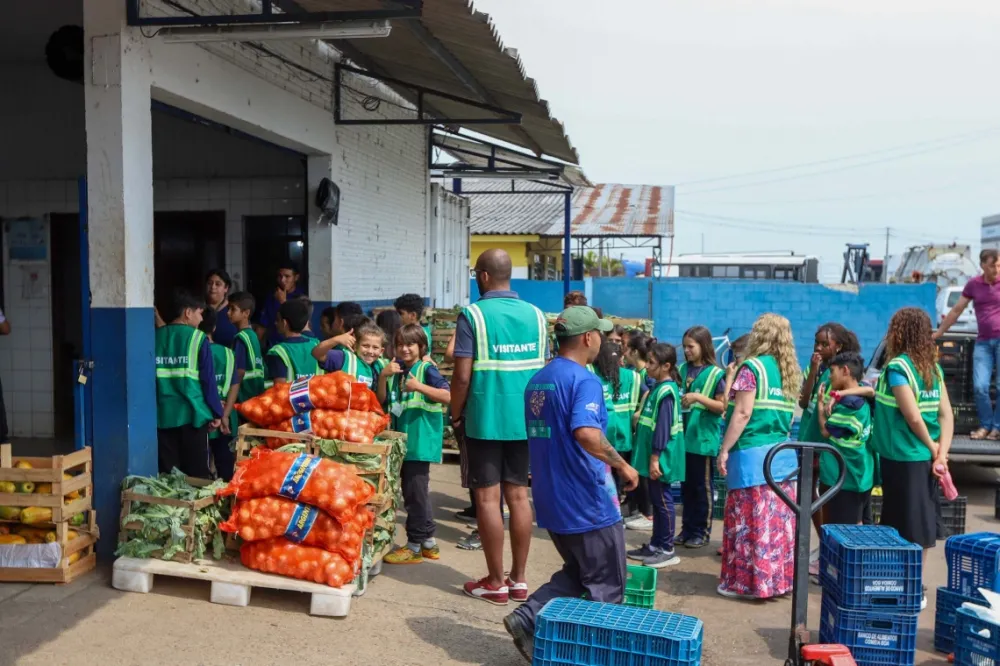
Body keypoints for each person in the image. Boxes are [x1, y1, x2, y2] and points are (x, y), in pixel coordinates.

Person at [502, 306, 638, 662]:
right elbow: (587, 433)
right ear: (587, 338)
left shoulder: (539, 380)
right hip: (588, 502)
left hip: (553, 501)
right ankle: (592, 657)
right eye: (601, 334)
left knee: (578, 573)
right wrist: (623, 465)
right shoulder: (584, 380)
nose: (603, 340)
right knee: (607, 586)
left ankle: (527, 617)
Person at [452, 249, 547, 605]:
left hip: (486, 420)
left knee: (488, 499)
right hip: (526, 422)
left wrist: (455, 413)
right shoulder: (537, 316)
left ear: (483, 276)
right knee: (520, 496)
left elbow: (462, 377)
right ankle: (519, 580)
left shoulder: (473, 315)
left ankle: (495, 582)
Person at [716, 313, 801, 600]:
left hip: (752, 457)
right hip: (782, 459)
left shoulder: (750, 368)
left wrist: (724, 449)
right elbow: (788, 421)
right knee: (776, 527)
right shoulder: (789, 372)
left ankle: (745, 584)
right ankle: (775, 583)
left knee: (748, 525)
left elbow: (742, 413)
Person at [874, 307, 954, 610]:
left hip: (904, 457)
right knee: (917, 524)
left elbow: (912, 417)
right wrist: (941, 453)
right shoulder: (931, 368)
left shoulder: (899, 368)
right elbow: (946, 415)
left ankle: (910, 588)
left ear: (900, 332)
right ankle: (907, 585)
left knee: (905, 526)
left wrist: (935, 450)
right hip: (924, 458)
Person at [378, 325, 451, 565]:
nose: (404, 349)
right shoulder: (399, 372)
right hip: (405, 444)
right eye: (400, 344)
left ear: (421, 347)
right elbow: (384, 401)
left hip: (419, 444)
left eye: (410, 344)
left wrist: (418, 386)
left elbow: (447, 396)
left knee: (414, 495)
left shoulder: (426, 370)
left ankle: (414, 546)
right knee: (417, 493)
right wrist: (383, 376)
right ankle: (428, 542)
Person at [627, 342, 685, 568]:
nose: (648, 366)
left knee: (663, 501)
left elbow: (663, 427)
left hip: (661, 458)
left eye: (652, 363)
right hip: (654, 456)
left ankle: (667, 548)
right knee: (657, 499)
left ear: (666, 366)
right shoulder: (658, 388)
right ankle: (655, 544)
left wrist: (655, 457)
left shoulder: (667, 392)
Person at [155, 290, 223, 477]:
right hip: (192, 415)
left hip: (163, 415)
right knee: (197, 475)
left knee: (169, 476)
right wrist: (217, 412)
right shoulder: (198, 339)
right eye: (199, 313)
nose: (201, 319)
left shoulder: (156, 337)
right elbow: (208, 381)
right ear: (188, 313)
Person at [935, 249, 1000, 439]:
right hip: (983, 342)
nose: (997, 269)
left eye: (999, 265)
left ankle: (996, 428)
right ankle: (985, 425)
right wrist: (939, 333)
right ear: (982, 266)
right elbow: (956, 310)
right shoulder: (973, 285)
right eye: (992, 265)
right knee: (980, 386)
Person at [677, 326, 726, 549]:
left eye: (691, 347)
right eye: (685, 346)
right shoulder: (682, 369)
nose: (686, 351)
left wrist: (698, 397)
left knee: (702, 488)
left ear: (703, 346)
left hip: (703, 439)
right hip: (684, 439)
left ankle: (702, 531)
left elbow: (722, 406)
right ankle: (686, 529)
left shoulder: (716, 374)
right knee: (686, 487)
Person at [815, 351, 874, 526]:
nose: (830, 376)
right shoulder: (863, 395)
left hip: (845, 478)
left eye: (832, 371)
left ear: (845, 370)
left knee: (846, 529)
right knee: (860, 523)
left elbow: (826, 432)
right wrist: (838, 395)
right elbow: (869, 389)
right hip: (863, 476)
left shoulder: (850, 405)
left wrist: (820, 405)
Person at [591, 339, 644, 515]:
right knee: (621, 480)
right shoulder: (632, 377)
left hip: (600, 439)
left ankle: (608, 512)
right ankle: (619, 512)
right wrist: (639, 412)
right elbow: (648, 392)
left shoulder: (593, 374)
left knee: (604, 479)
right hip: (624, 438)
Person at [199, 308, 238, 481]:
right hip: (224, 420)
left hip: (202, 418)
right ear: (214, 328)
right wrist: (225, 414)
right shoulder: (228, 353)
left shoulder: (195, 351)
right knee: (226, 467)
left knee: (201, 470)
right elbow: (234, 385)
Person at [311, 317, 383, 390]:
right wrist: (336, 339)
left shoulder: (380, 366)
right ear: (355, 346)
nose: (370, 351)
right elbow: (316, 353)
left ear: (381, 351)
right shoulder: (344, 358)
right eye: (365, 346)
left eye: (375, 347)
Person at [264, 299, 321, 384]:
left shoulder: (278, 352)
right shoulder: (316, 346)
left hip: (289, 397)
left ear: (284, 323)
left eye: (278, 319)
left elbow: (279, 389)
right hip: (316, 396)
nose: (275, 323)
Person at [227, 292, 266, 405]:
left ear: (246, 313)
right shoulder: (253, 336)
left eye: (233, 309)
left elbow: (240, 372)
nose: (228, 313)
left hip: (243, 398)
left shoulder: (241, 338)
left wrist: (229, 394)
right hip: (255, 397)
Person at [254, 262, 304, 349]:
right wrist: (254, 348)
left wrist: (283, 301)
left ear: (296, 277)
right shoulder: (273, 296)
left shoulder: (301, 297)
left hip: (294, 347)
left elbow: (297, 323)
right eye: (280, 276)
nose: (282, 280)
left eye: (287, 276)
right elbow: (262, 325)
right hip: (274, 346)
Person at [204, 269, 238, 348]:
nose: (213, 287)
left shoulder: (233, 310)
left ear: (226, 288)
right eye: (210, 283)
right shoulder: (198, 310)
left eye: (218, 284)